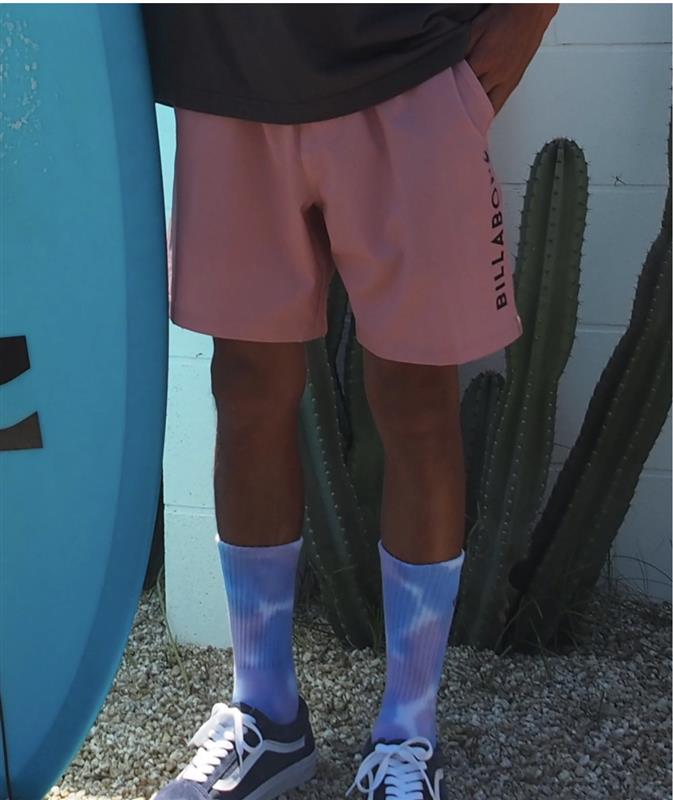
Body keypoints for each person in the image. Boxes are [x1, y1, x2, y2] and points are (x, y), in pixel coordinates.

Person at [141, 4, 558, 799]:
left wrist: (531, 11)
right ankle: (266, 715)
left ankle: (408, 733)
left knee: (417, 398)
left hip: (407, 61)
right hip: (224, 74)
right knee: (247, 388)